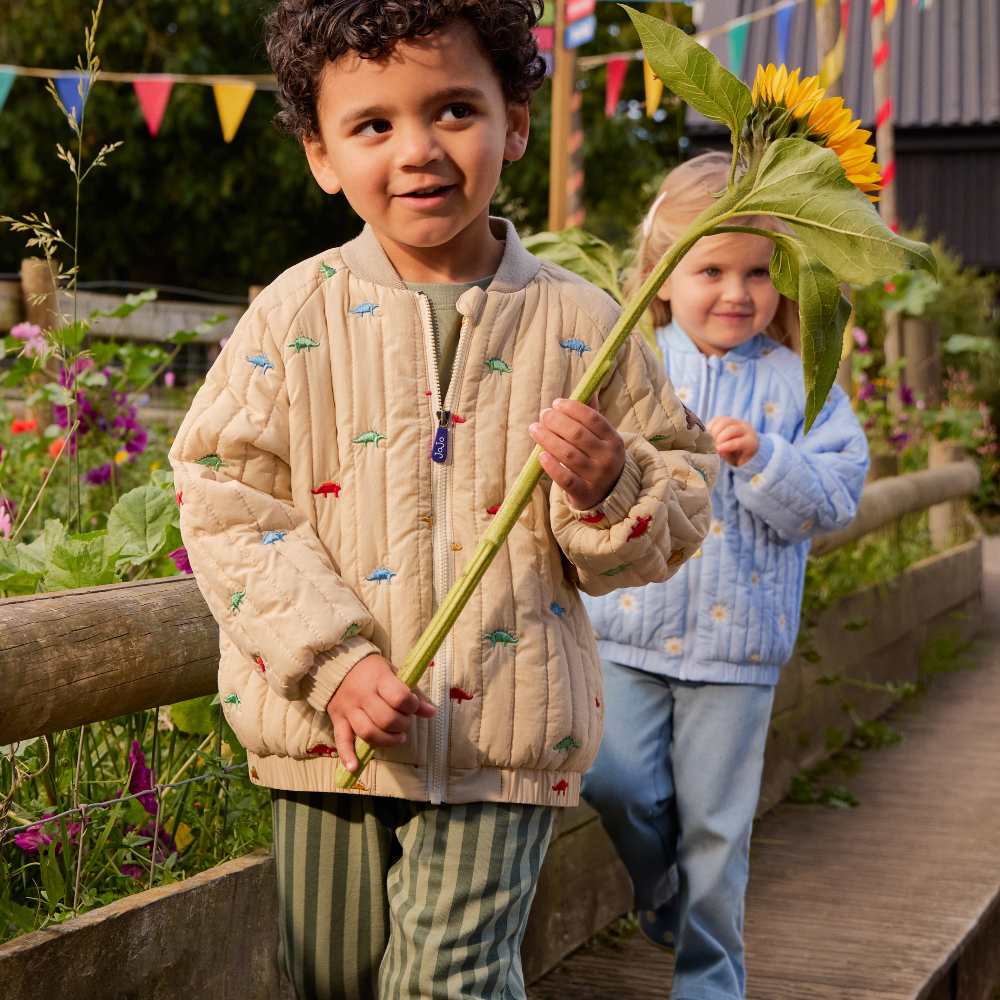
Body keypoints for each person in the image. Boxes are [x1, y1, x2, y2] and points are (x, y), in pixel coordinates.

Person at [168, 4, 717, 998]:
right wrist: (331, 662)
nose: (417, 149)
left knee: (447, 980)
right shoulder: (294, 311)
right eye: (373, 125)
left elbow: (676, 497)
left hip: (499, 736)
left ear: (513, 122)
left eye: (453, 110)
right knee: (330, 975)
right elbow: (222, 496)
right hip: (325, 732)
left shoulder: (587, 322)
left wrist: (609, 485)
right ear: (321, 155)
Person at [582, 152, 869, 1000]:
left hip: (737, 647)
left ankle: (710, 982)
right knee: (612, 780)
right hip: (628, 626)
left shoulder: (801, 386)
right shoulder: (631, 364)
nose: (737, 293)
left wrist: (766, 459)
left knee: (718, 826)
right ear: (663, 279)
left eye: (759, 273)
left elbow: (835, 498)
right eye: (711, 269)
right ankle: (662, 891)